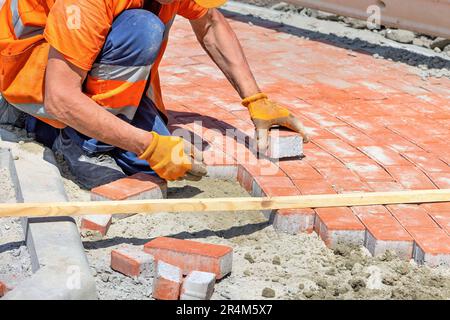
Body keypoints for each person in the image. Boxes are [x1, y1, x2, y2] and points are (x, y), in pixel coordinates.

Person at [0, 0, 308, 189]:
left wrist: (255, 99)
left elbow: (210, 23)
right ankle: (73, 142)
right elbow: (60, 97)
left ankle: (99, 134)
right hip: (30, 76)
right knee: (143, 27)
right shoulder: (86, 2)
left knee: (151, 164)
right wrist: (148, 145)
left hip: (81, 65)